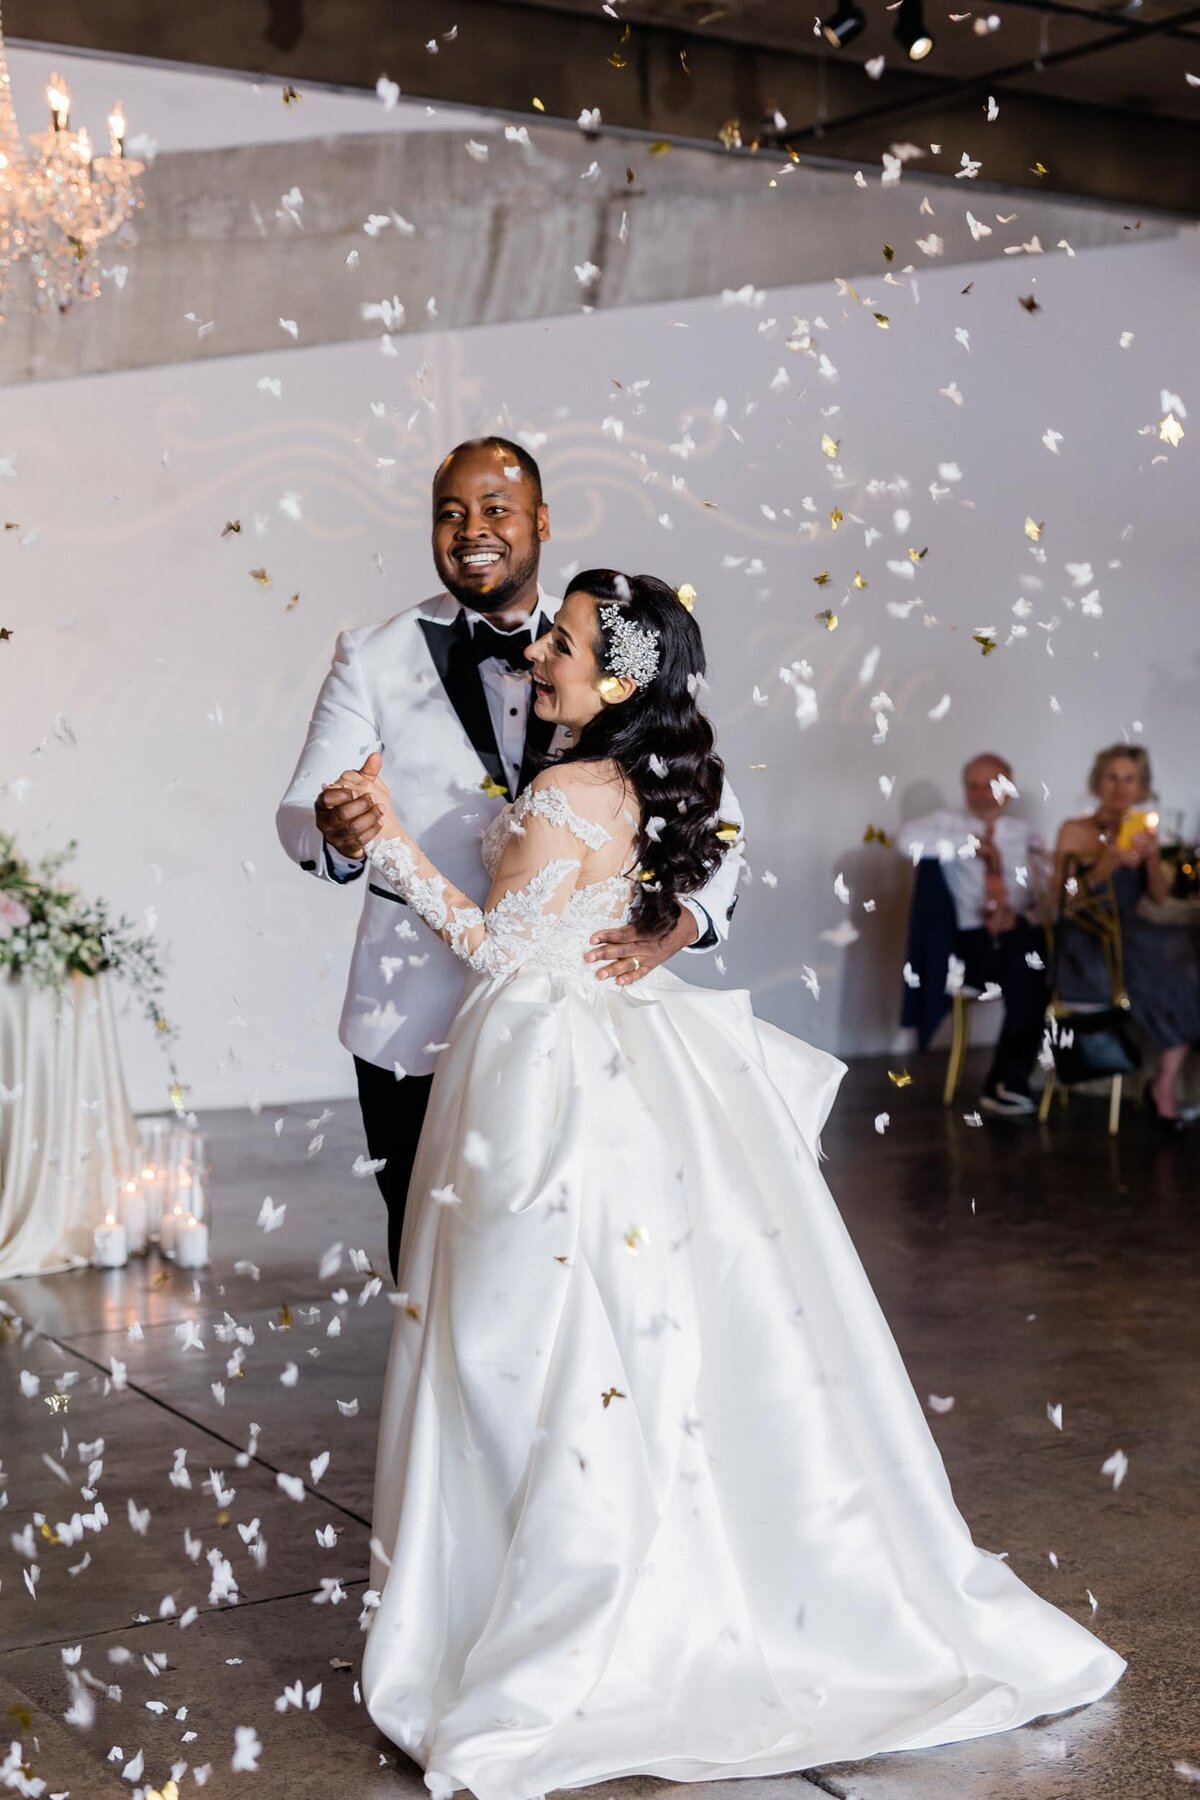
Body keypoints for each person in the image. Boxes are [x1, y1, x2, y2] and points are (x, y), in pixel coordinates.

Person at [329, 573, 1123, 1798]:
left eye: (568, 644)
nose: (543, 652)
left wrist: (389, 843)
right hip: (621, 1047)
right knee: (649, 1326)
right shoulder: (645, 774)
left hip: (548, 1066)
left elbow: (501, 942)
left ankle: (555, 1601)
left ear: (623, 676)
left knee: (533, 1333)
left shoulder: (562, 784)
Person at [276, 440, 743, 1277]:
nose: (471, 529)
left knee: (577, 1258)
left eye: (496, 509)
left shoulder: (611, 638)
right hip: (412, 1022)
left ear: (541, 523)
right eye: (450, 512)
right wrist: (340, 827)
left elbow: (709, 810)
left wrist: (678, 926)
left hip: (572, 1025)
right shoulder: (373, 654)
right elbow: (302, 807)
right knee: (431, 1260)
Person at [1053, 743, 1200, 1128]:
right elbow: (1061, 899)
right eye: (1112, 778)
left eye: (1129, 780)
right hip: (1089, 935)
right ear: (1098, 782)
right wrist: (1109, 862)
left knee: (1190, 951)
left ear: (1141, 787)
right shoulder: (1075, 830)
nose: (1120, 789)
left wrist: (1151, 857)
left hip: (1133, 931)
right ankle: (1164, 1085)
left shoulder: (1141, 828)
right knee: (1176, 960)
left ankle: (1164, 1079)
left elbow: (1158, 896)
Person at [899, 754, 1047, 1117]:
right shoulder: (946, 824)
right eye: (974, 785)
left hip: (1017, 936)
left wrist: (1019, 913)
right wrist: (969, 845)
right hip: (971, 944)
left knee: (1028, 951)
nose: (982, 794)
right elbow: (907, 842)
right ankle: (1008, 1082)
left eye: (992, 785)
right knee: (1029, 965)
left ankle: (1007, 1081)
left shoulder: (1027, 835)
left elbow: (1044, 898)